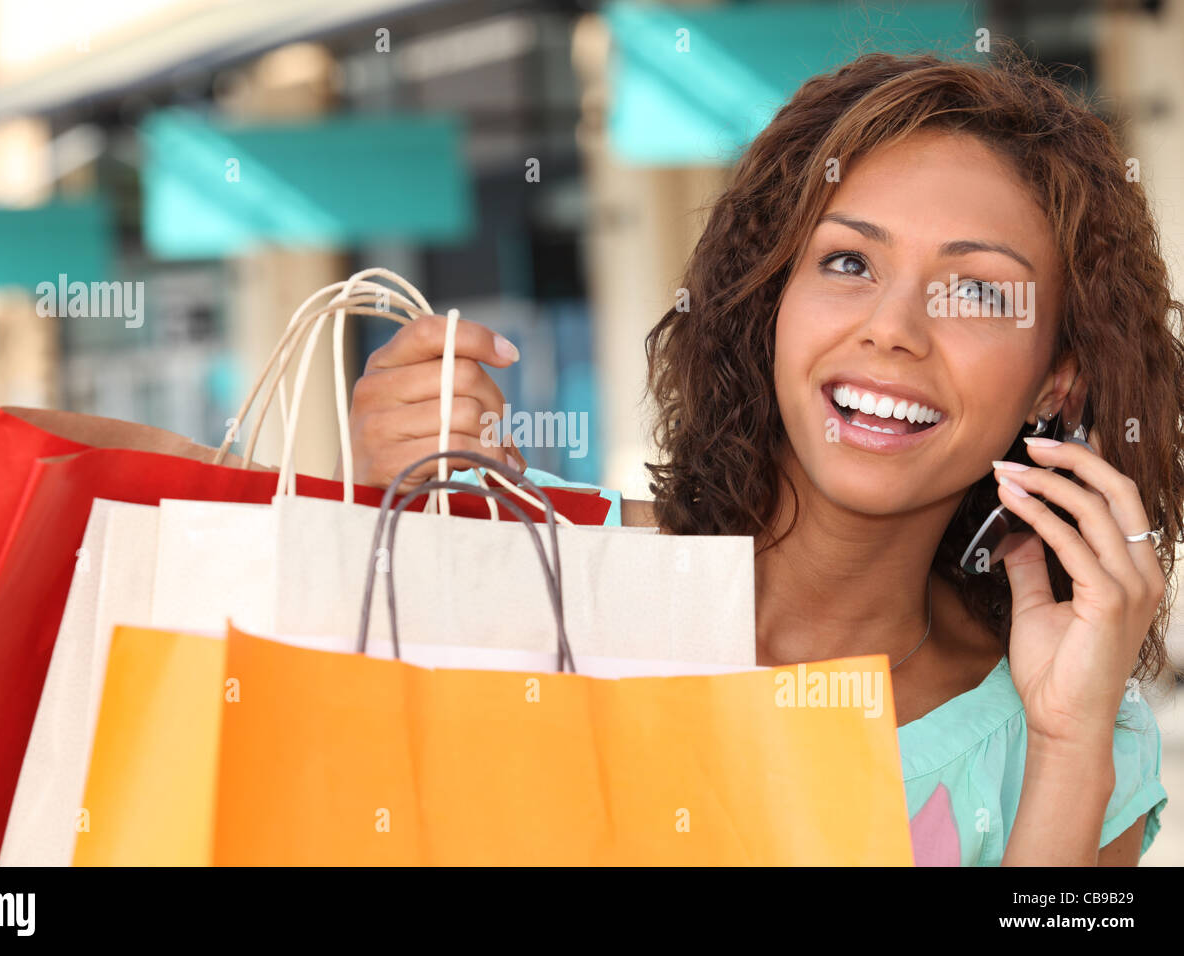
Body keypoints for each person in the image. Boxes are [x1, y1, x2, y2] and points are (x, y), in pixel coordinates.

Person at [342, 48, 1178, 866]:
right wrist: (379, 505)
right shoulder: (527, 551)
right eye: (849, 262)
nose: (892, 328)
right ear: (773, 300)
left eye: (975, 292)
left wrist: (1068, 746)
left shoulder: (1074, 723)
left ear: (1055, 381)